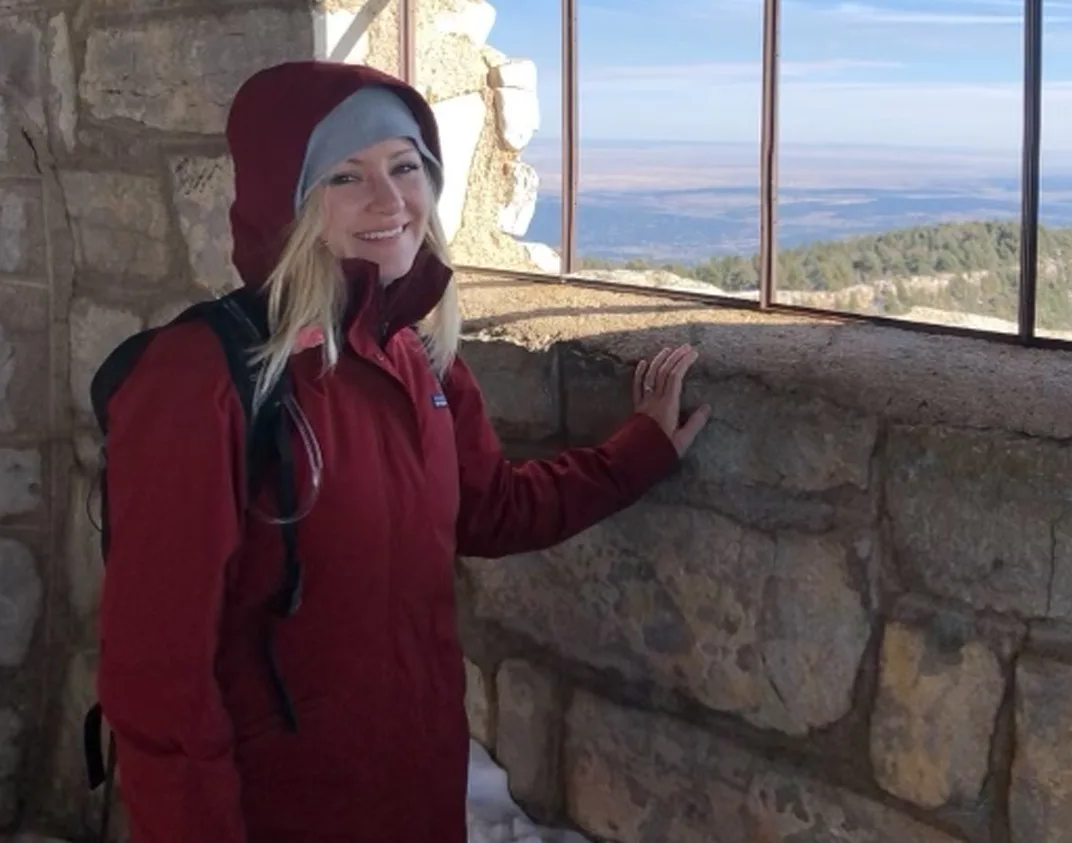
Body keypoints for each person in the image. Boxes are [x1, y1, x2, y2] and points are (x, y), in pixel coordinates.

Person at [95, 59, 711, 843]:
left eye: (404, 165)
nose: (390, 201)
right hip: (280, 812)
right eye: (345, 176)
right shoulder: (202, 379)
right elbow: (158, 679)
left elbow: (491, 508)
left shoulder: (416, 354)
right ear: (286, 202)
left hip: (415, 792)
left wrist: (641, 450)